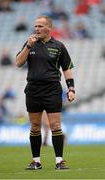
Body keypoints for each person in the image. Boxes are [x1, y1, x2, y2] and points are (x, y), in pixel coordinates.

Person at [16, 15, 75, 170]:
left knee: (55, 125)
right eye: (35, 26)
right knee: (35, 126)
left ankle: (59, 161)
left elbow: (67, 68)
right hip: (33, 90)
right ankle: (36, 161)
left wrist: (71, 89)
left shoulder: (59, 46)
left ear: (49, 28)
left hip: (52, 90)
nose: (36, 29)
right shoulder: (30, 44)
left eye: (40, 26)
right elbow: (18, 63)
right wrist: (28, 46)